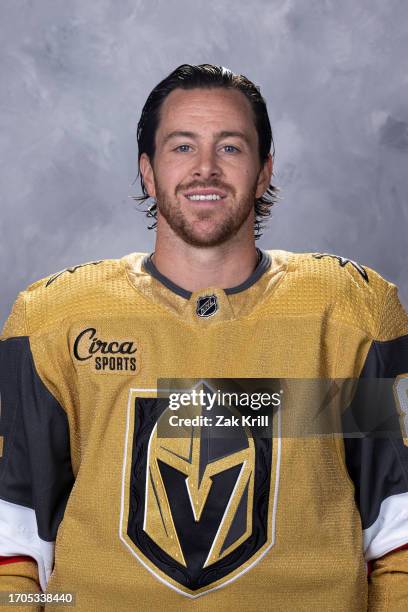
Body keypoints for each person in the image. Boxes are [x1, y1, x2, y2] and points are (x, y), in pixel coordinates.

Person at [0, 63, 407, 611]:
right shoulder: (55, 320)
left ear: (265, 171)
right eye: (182, 147)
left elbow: (398, 534)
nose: (206, 169)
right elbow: (14, 542)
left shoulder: (347, 313)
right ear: (148, 171)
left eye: (231, 148)